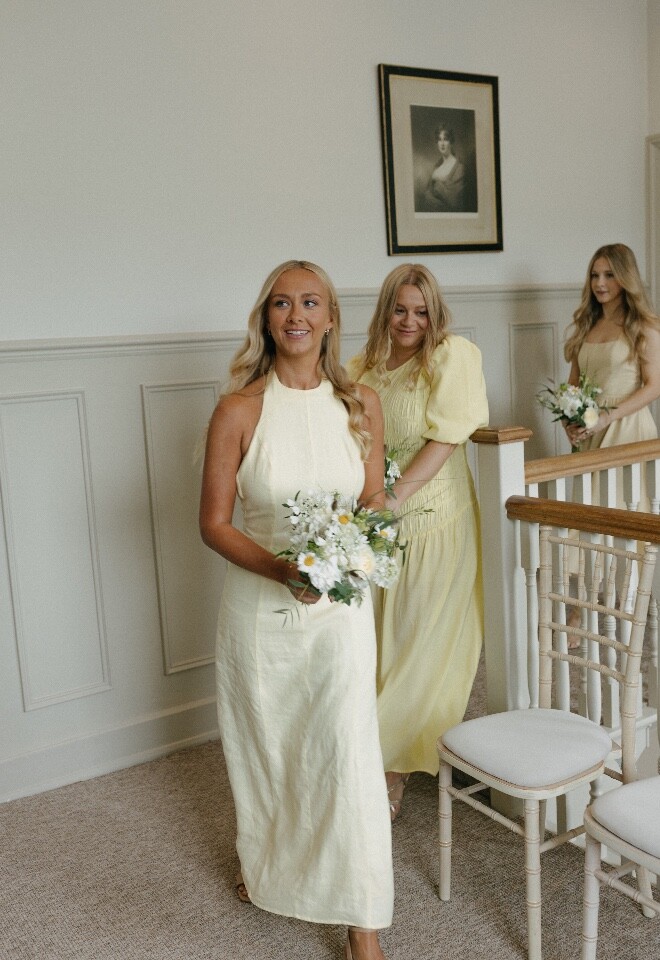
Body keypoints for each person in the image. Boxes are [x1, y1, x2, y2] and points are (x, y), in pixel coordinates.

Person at [199, 260, 393, 960]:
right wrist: (285, 569)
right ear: (266, 318)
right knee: (274, 751)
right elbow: (214, 524)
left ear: (331, 318)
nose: (296, 316)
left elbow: (372, 499)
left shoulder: (362, 404)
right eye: (281, 304)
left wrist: (356, 547)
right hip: (262, 612)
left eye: (310, 302)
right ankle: (272, 869)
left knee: (347, 752)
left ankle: (362, 923)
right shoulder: (238, 410)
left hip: (341, 612)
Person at [347, 264, 489, 820]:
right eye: (400, 309)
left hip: (435, 516)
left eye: (422, 311)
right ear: (386, 310)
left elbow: (446, 439)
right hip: (377, 522)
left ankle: (388, 771)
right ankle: (372, 748)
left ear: (436, 313)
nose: (410, 321)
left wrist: (395, 497)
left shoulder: (452, 356)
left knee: (418, 641)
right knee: (379, 643)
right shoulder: (362, 366)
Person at [563, 243, 660, 460]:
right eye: (594, 275)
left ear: (626, 278)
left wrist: (607, 417)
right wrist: (568, 420)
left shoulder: (644, 326)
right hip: (590, 427)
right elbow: (574, 384)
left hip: (629, 428)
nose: (599, 283)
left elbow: (655, 386)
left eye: (609, 275)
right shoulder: (586, 325)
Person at [422, 125, 465, 212]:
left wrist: (438, 183)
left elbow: (455, 202)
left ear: (451, 142)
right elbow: (427, 196)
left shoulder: (459, 168)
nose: (442, 143)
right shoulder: (436, 169)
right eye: (439, 139)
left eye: (445, 139)